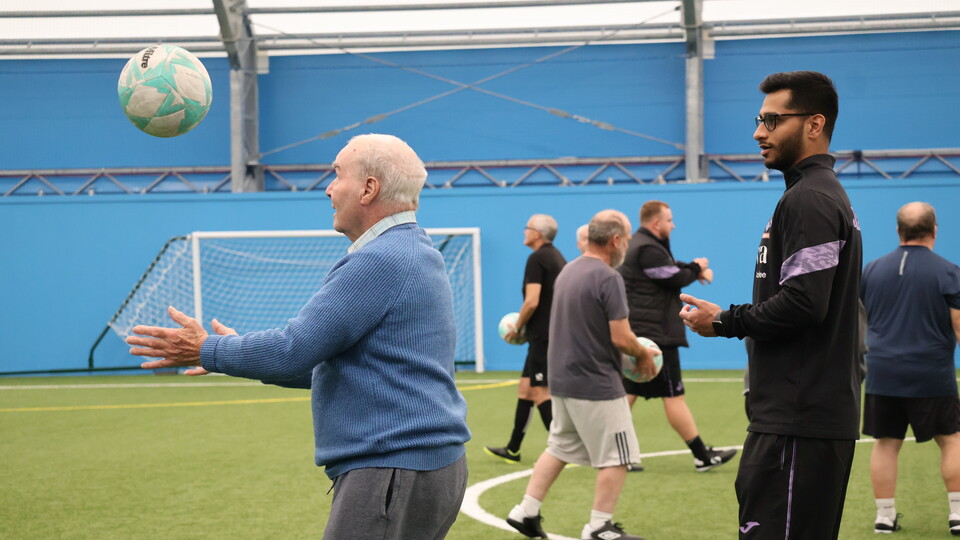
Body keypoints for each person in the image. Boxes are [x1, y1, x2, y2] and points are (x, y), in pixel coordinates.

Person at [126, 133, 472, 540]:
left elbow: (292, 351)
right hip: (424, 468)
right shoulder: (416, 251)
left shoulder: (380, 259)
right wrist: (229, 353)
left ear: (368, 189)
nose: (328, 188)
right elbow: (331, 363)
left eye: (337, 174)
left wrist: (209, 348)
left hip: (392, 470)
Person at [678, 71, 862, 539]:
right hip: (797, 419)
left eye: (772, 120)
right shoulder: (813, 195)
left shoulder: (810, 199)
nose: (759, 132)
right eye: (759, 120)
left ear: (814, 124)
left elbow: (804, 303)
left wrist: (724, 320)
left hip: (798, 420)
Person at [505, 209, 659, 540]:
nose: (627, 245)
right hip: (595, 382)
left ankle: (525, 511)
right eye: (627, 239)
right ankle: (599, 526)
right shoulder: (608, 278)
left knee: (559, 447)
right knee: (619, 456)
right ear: (615, 240)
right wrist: (643, 353)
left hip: (562, 380)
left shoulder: (569, 271)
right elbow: (622, 338)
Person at [860, 202, 960, 535]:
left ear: (898, 231)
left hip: (882, 373)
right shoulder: (949, 272)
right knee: (951, 439)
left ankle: (884, 516)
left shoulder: (871, 271)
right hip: (932, 373)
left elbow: (861, 320)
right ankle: (958, 513)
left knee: (886, 442)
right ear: (934, 231)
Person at [618, 200, 735, 473]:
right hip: (655, 336)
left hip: (644, 332)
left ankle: (617, 454)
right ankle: (702, 456)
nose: (673, 225)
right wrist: (697, 267)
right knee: (673, 395)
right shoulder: (646, 248)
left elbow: (670, 266)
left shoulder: (646, 246)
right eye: (669, 220)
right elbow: (673, 276)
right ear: (656, 223)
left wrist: (693, 269)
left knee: (628, 393)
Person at [485, 214, 567, 464]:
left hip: (543, 336)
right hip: (545, 336)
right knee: (526, 389)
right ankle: (513, 449)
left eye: (527, 228)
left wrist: (518, 326)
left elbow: (532, 301)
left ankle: (566, 448)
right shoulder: (556, 257)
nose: (524, 231)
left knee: (541, 392)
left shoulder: (538, 258)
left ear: (538, 233)